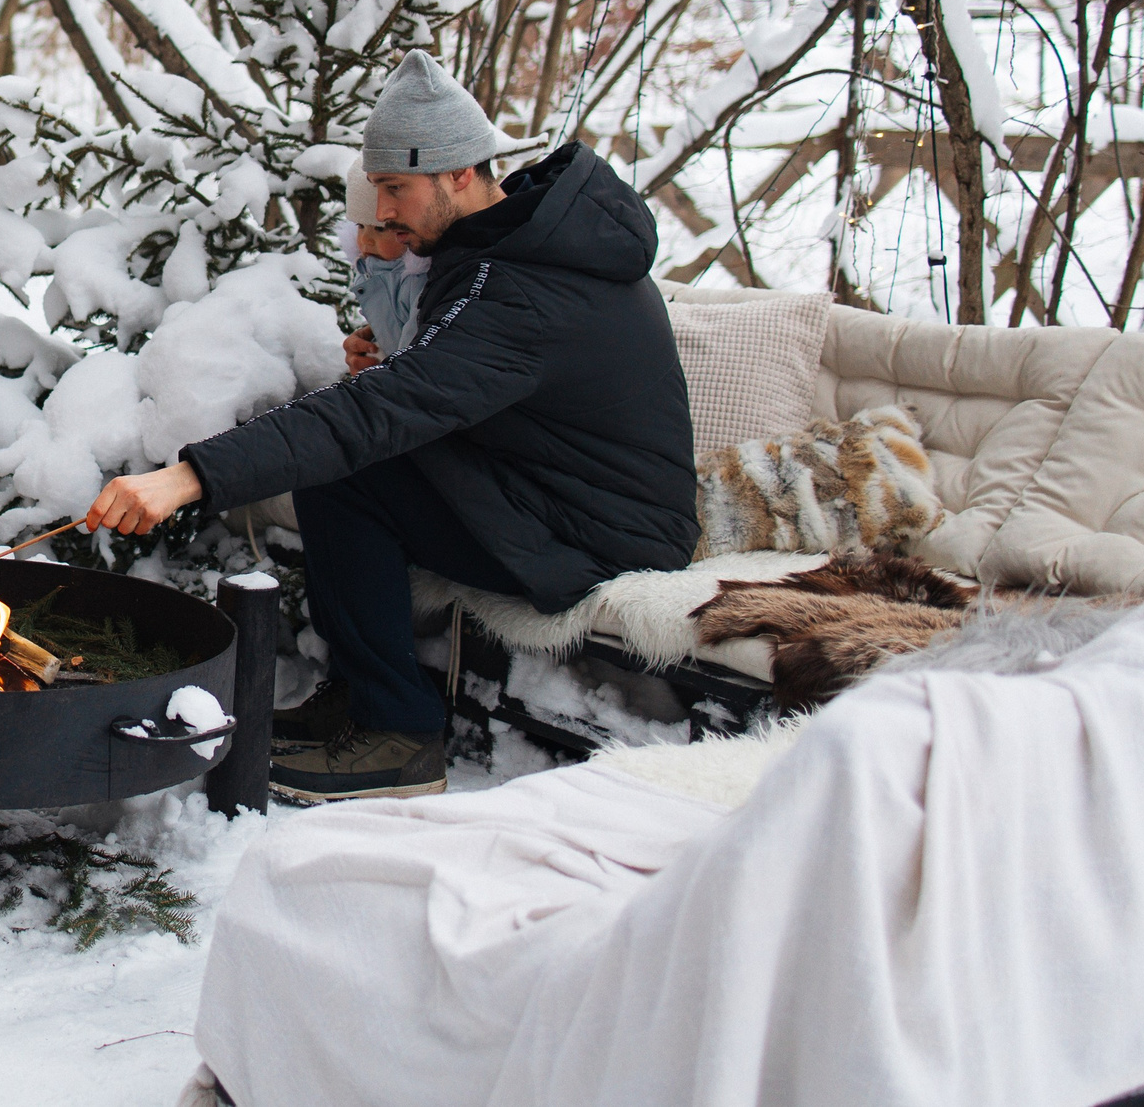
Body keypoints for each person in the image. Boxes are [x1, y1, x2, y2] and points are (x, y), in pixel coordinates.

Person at [81, 51, 695, 802]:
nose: (386, 213)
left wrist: (190, 475)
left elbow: (384, 410)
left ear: (460, 173)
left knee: (352, 462)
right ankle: (362, 702)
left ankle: (400, 739)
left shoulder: (526, 288)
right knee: (350, 469)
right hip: (549, 489)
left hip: (604, 532)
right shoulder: (512, 246)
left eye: (396, 189)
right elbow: (451, 389)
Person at [341, 174, 429, 362]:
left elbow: (413, 352)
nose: (366, 239)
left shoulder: (416, 282)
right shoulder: (371, 273)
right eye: (360, 226)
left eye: (380, 229)